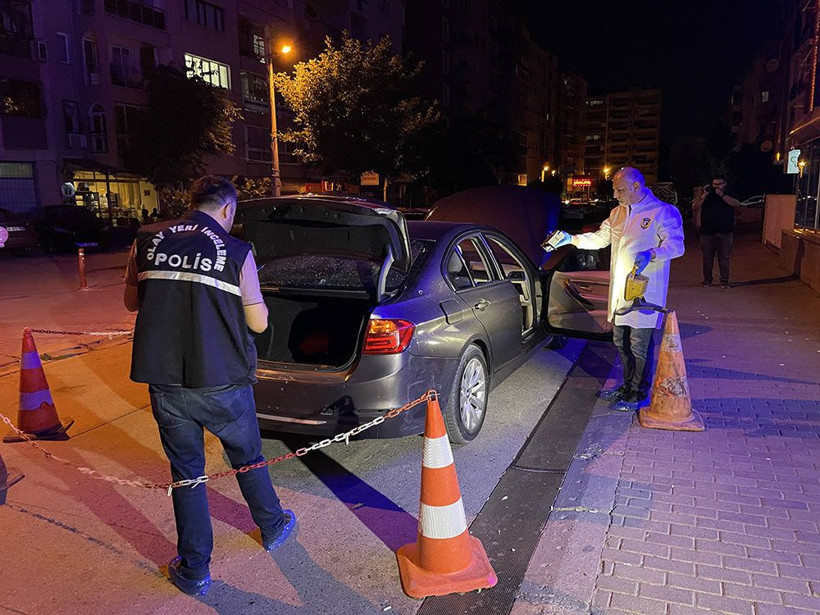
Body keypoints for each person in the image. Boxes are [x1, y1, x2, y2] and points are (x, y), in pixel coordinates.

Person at [123, 176, 295, 596]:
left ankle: (195, 569)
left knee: (187, 475)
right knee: (248, 457)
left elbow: (132, 302)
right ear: (228, 210)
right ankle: (272, 526)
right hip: (223, 381)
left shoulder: (147, 239)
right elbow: (257, 322)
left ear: (192, 203)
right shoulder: (237, 250)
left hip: (166, 380)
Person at [547, 167, 685, 411]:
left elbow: (677, 246)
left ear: (636, 186)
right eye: (614, 189)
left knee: (639, 345)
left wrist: (652, 254)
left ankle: (640, 394)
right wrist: (571, 239)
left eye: (619, 189)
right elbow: (600, 239)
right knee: (621, 342)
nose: (615, 194)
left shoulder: (662, 212)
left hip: (644, 294)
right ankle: (627, 387)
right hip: (620, 292)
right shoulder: (617, 213)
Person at [691, 174, 740, 288]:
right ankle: (707, 280)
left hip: (725, 231)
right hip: (707, 232)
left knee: (724, 257)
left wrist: (722, 195)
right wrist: (704, 195)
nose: (717, 187)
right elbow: (695, 207)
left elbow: (736, 203)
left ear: (725, 184)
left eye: (720, 184)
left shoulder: (729, 192)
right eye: (715, 184)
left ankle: (724, 280)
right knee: (707, 257)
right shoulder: (707, 194)